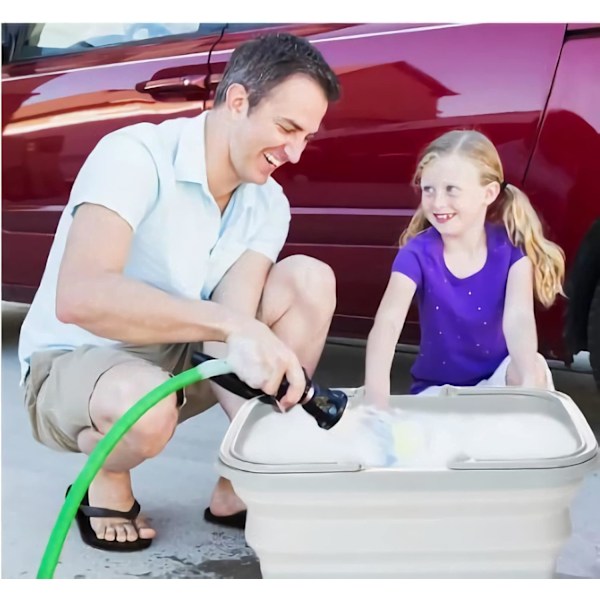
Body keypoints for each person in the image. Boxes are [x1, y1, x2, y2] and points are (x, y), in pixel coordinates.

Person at [18, 32, 341, 551]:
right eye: (287, 128)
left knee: (309, 278)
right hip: (75, 359)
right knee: (144, 408)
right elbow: (80, 296)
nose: (295, 153)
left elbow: (228, 330)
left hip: (176, 356)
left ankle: (238, 486)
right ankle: (105, 477)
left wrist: (276, 441)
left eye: (307, 135)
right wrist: (236, 327)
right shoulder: (134, 155)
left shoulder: (267, 203)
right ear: (237, 101)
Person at [364, 129, 565, 407]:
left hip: (495, 386)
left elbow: (518, 319)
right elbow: (388, 321)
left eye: (451, 190)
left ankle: (525, 438)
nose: (437, 202)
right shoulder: (417, 254)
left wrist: (529, 382)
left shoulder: (511, 251)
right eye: (428, 189)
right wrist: (376, 399)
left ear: (489, 193)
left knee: (533, 366)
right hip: (438, 393)